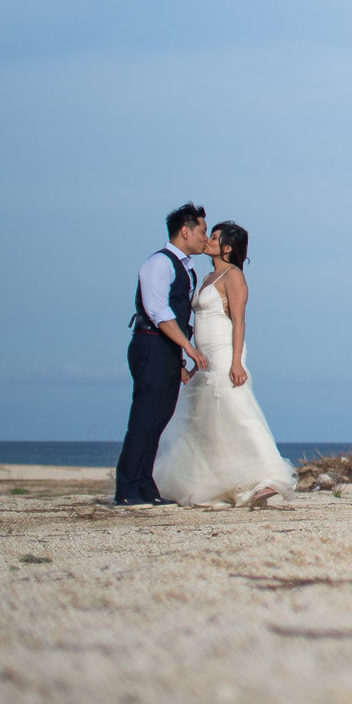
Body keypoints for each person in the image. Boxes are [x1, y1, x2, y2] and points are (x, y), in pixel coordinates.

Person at [153, 220, 293, 506]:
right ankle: (226, 482)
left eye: (214, 238)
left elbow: (239, 320)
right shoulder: (205, 278)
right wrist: (191, 362)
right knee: (208, 421)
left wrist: (236, 362)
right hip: (204, 358)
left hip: (226, 353)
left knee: (239, 411)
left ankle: (268, 478)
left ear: (227, 248)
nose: (208, 240)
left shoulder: (234, 275)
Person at [114, 204, 208, 506]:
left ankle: (144, 486)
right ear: (185, 231)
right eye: (203, 232)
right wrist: (190, 349)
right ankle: (127, 489)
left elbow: (178, 317)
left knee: (158, 419)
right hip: (150, 344)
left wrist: (180, 360)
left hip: (167, 349)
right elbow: (159, 312)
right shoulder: (160, 263)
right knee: (144, 417)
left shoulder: (188, 269)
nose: (205, 238)